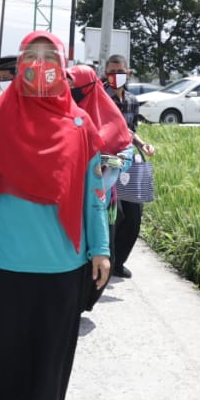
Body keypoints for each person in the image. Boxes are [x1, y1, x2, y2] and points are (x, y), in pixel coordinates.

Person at [0, 31, 111, 400]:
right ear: (17, 65)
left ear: (63, 67)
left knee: (49, 346)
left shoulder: (80, 124)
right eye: (30, 56)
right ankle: (2, 384)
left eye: (49, 57)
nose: (39, 64)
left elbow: (93, 192)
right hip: (3, 257)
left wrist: (100, 247)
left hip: (62, 259)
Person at [66, 64, 133, 309]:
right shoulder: (64, 114)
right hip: (69, 196)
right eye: (68, 85)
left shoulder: (111, 115)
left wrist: (109, 161)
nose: (71, 90)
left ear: (90, 87)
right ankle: (72, 299)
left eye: (75, 86)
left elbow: (127, 152)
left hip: (103, 198)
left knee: (105, 250)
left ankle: (85, 299)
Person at [103, 54, 156, 278]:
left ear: (128, 73)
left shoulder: (133, 101)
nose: (116, 77)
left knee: (134, 215)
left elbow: (130, 130)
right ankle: (106, 259)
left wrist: (143, 145)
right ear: (105, 74)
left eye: (120, 72)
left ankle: (119, 261)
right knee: (115, 215)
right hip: (107, 163)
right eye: (112, 72)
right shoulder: (100, 99)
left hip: (130, 161)